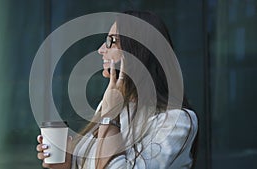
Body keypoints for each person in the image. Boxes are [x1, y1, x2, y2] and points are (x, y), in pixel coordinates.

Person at [36, 10, 198, 169]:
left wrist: (110, 117)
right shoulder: (112, 105)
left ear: (138, 49)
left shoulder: (176, 121)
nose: (101, 50)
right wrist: (68, 164)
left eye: (110, 41)